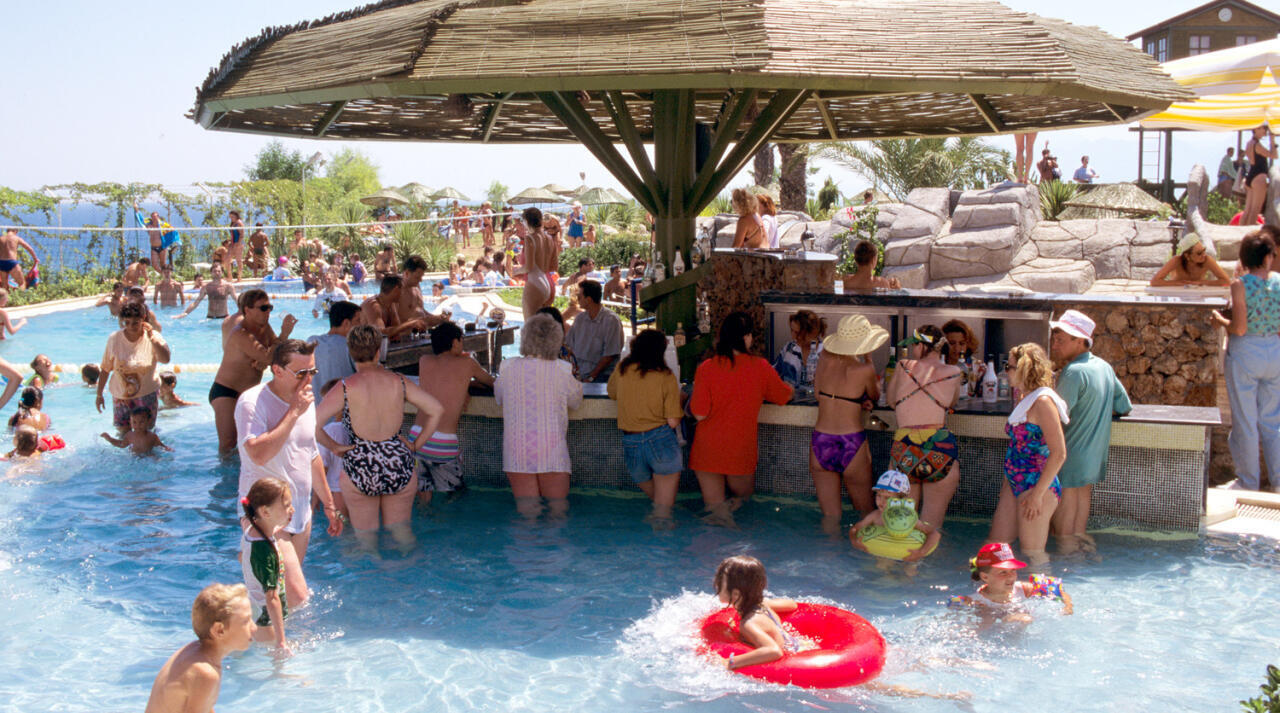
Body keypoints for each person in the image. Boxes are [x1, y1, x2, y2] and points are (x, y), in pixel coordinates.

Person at [314, 326, 443, 554]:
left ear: (350, 352)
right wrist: (416, 445)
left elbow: (312, 424)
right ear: (378, 352)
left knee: (366, 538)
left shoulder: (345, 387)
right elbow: (436, 410)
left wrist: (334, 446)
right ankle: (408, 567)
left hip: (360, 464)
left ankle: (372, 569)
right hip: (398, 461)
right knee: (401, 532)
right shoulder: (399, 381)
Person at [236, 339, 343, 609]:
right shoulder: (252, 402)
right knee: (298, 596)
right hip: (265, 514)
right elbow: (257, 453)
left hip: (299, 512)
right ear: (277, 370)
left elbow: (311, 454)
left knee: (283, 597)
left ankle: (273, 630)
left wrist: (329, 504)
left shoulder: (306, 399)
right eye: (301, 373)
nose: (309, 379)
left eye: (312, 372)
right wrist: (294, 411)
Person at [689, 311, 793, 524]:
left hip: (707, 450)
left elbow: (699, 413)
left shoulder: (706, 368)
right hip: (739, 450)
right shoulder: (761, 367)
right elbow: (783, 396)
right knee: (743, 504)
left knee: (715, 512)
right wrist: (791, 388)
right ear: (746, 337)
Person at [1048, 309, 1131, 551]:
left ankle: (1067, 562)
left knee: (1063, 535)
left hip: (1070, 454)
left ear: (1080, 341)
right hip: (1093, 456)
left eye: (1061, 340)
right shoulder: (1104, 367)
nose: (1055, 345)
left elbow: (1056, 415)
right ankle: (1083, 559)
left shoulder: (1073, 372)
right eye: (1055, 339)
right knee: (1078, 530)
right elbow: (1124, 406)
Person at [494, 314, 583, 517]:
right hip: (551, 448)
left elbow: (499, 398)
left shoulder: (507, 367)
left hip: (517, 449)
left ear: (525, 338)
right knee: (557, 512)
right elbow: (576, 402)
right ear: (556, 340)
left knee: (527, 515)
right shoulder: (562, 369)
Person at [1213, 229, 1280, 493]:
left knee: (1245, 420)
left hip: (1246, 352)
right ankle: (1278, 482)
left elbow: (1239, 328)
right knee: (1272, 421)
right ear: (1267, 257)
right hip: (1274, 350)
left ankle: (1248, 482)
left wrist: (1220, 320)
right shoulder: (1279, 282)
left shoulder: (1240, 285)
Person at [988, 343, 1066, 567]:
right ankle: (986, 584)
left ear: (1023, 368)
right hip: (1015, 482)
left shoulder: (1043, 403)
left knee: (1033, 554)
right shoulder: (1024, 398)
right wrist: (1008, 483)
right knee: (995, 547)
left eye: (1009, 366)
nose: (1005, 371)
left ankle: (1047, 590)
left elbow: (1059, 453)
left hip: (1036, 485)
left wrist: (1037, 495)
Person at [809, 314, 885, 531]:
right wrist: (869, 360)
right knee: (866, 514)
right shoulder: (864, 369)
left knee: (830, 517)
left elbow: (818, 394)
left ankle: (830, 548)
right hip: (851, 442)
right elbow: (875, 395)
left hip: (821, 441)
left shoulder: (824, 358)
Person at [886, 325, 963, 534]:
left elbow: (891, 401)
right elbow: (951, 403)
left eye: (914, 346)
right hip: (939, 450)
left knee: (901, 526)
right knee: (931, 530)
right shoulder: (954, 372)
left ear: (921, 346)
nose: (912, 351)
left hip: (906, 451)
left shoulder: (903, 366)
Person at [412, 322, 494, 506]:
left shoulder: (424, 361)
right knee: (454, 495)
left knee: (424, 494)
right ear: (455, 342)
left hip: (416, 437)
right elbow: (492, 383)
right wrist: (467, 384)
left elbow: (441, 382)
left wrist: (465, 385)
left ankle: (426, 516)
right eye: (461, 340)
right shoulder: (467, 363)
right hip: (442, 442)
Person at [607, 329, 684, 522]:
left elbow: (612, 393)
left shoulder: (622, 369)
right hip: (660, 440)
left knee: (659, 503)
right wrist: (681, 400)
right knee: (663, 511)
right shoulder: (665, 375)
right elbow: (673, 421)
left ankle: (663, 513)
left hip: (631, 442)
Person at [143, 583, 255, 713]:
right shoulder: (205, 673)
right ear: (219, 630)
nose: (254, 627)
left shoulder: (197, 653)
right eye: (246, 621)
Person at [211, 290, 296, 454]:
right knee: (228, 444)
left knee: (250, 440)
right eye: (263, 308)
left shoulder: (265, 328)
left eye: (270, 307)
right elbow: (269, 356)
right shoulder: (240, 334)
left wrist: (264, 362)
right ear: (247, 310)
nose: (268, 311)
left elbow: (277, 354)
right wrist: (284, 334)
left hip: (247, 393)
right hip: (226, 392)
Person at [713, 555, 799, 670]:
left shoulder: (749, 624)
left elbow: (774, 651)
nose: (716, 585)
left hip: (791, 661)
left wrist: (730, 662)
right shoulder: (764, 604)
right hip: (797, 645)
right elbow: (792, 604)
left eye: (720, 582)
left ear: (736, 594)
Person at [96, 302, 170, 434]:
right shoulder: (114, 339)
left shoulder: (154, 337)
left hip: (146, 394)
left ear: (143, 319)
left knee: (145, 435)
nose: (131, 326)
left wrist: (152, 339)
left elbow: (165, 359)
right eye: (127, 322)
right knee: (123, 435)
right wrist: (99, 394)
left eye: (135, 322)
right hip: (121, 396)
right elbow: (106, 368)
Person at [238, 477, 293, 654]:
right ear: (265, 512)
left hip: (254, 607)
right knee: (275, 655)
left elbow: (242, 557)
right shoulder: (265, 553)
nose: (291, 509)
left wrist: (281, 524)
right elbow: (272, 598)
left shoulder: (251, 529)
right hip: (265, 617)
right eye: (286, 506)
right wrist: (282, 641)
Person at [950, 543, 1073, 618]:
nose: (1011, 577)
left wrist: (1068, 607)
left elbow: (1059, 591)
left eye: (1013, 570)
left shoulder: (1023, 589)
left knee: (1022, 619)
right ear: (985, 577)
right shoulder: (975, 601)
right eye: (1003, 572)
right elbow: (952, 604)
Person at [849, 470, 940, 561]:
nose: (881, 501)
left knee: (911, 568)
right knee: (881, 564)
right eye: (879, 495)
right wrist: (854, 541)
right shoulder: (875, 516)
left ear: (900, 500)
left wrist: (920, 552)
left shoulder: (908, 519)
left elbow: (935, 534)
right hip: (883, 551)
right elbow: (855, 529)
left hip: (909, 554)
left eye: (887, 498)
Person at [565, 280, 624, 383]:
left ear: (588, 300)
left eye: (579, 297)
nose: (577, 299)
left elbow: (609, 355)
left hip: (601, 376)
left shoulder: (611, 320)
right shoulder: (580, 319)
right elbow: (568, 346)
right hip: (579, 373)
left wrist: (590, 377)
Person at [306, 300, 360, 394]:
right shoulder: (350, 346)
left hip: (316, 402)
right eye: (358, 320)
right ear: (346, 323)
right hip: (343, 401)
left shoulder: (311, 342)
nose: (362, 324)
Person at [514, 207, 555, 320]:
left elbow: (529, 266)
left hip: (535, 283)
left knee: (530, 325)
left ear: (527, 221)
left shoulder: (530, 238)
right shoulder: (549, 238)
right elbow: (554, 265)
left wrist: (516, 271)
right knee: (544, 325)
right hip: (548, 283)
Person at [771, 309, 826, 391]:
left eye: (797, 333)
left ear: (811, 333)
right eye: (791, 330)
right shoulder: (789, 348)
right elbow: (771, 374)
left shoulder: (826, 354)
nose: (793, 336)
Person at [1150, 233, 1231, 287]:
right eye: (1199, 253)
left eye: (1204, 250)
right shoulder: (1176, 261)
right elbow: (1154, 281)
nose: (1203, 255)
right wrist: (1177, 283)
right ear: (1187, 256)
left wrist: (1202, 282)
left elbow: (1226, 281)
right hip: (1178, 293)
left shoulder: (1207, 260)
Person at [361, 275, 426, 341]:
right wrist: (410, 324)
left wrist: (413, 324)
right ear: (396, 289)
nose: (403, 293)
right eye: (402, 290)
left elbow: (396, 331)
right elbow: (380, 334)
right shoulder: (372, 305)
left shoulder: (391, 303)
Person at [398, 255, 446, 329]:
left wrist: (439, 318)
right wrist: (422, 321)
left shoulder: (416, 287)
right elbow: (398, 323)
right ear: (407, 273)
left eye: (421, 276)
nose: (421, 280)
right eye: (417, 277)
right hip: (407, 333)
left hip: (421, 331)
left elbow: (422, 312)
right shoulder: (397, 292)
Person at [100, 406, 172, 455]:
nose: (138, 425)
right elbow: (121, 444)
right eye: (134, 422)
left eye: (141, 422)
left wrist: (169, 449)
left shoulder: (152, 436)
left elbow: (161, 446)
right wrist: (110, 439)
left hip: (148, 457)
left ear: (148, 421)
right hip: (134, 457)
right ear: (130, 422)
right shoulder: (129, 435)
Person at [1242, 126, 1277, 226]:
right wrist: (1272, 141)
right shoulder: (1257, 145)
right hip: (1259, 177)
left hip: (1251, 175)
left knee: (1247, 211)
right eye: (1263, 129)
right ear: (1256, 129)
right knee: (1255, 210)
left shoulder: (1249, 143)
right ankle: (1250, 231)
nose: (1265, 131)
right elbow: (1274, 155)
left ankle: (1241, 230)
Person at [227, 210, 245, 279]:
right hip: (233, 243)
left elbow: (242, 235)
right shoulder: (233, 223)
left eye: (232, 216)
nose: (231, 218)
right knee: (227, 259)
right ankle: (230, 276)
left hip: (239, 243)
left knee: (238, 260)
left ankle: (239, 277)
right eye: (230, 217)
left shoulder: (239, 223)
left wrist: (238, 244)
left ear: (236, 216)